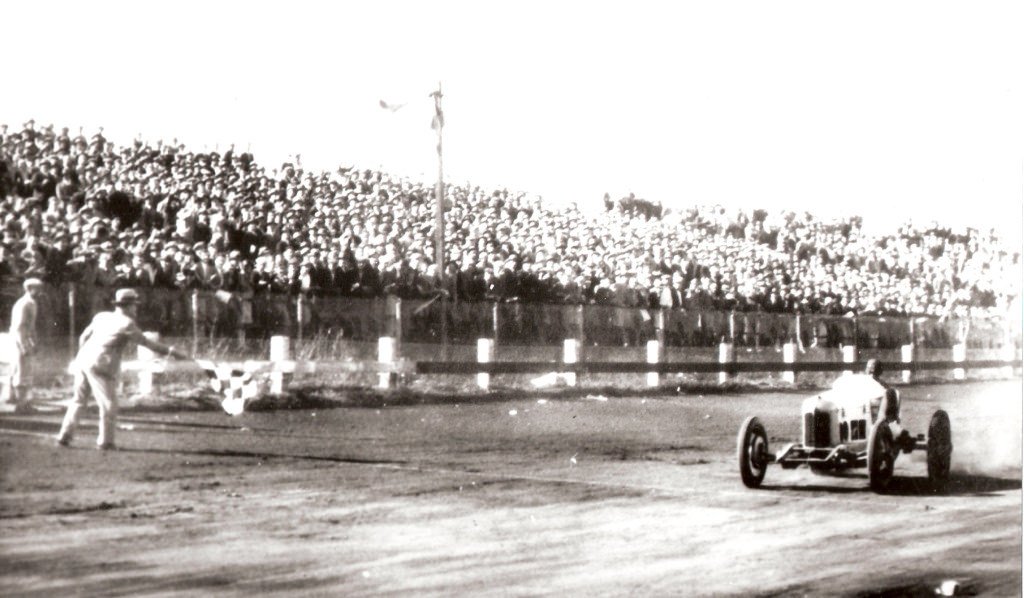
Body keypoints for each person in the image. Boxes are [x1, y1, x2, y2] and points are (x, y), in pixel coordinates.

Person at [56, 288, 191, 450]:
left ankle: (65, 435)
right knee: (109, 404)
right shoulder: (127, 323)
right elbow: (147, 343)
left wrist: (82, 355)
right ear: (127, 306)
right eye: (134, 305)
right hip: (101, 364)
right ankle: (106, 441)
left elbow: (83, 337)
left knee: (78, 400)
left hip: (84, 359)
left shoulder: (101, 317)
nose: (136, 309)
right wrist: (172, 352)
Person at [7, 278, 44, 411]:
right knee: (22, 370)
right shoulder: (23, 304)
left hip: (26, 338)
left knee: (23, 369)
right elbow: (19, 326)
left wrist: (35, 340)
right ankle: (21, 404)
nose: (40, 291)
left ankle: (14, 398)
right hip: (19, 338)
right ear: (28, 288)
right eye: (37, 288)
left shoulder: (32, 303)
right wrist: (23, 344)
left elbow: (31, 326)